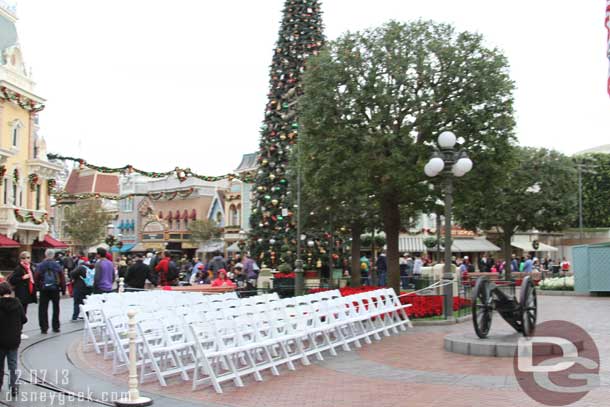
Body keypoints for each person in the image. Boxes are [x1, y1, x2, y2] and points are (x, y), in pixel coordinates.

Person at [0, 282, 27, 397]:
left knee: (0, 365)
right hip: (14, 339)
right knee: (13, 365)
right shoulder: (17, 303)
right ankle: (14, 387)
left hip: (0, 340)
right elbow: (24, 319)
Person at [34, 249, 65, 334]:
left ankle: (44, 328)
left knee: (43, 308)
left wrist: (37, 288)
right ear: (53, 255)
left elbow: (36, 277)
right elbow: (62, 277)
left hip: (44, 289)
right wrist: (63, 289)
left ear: (45, 255)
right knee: (56, 308)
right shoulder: (57, 265)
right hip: (55, 289)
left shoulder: (40, 265)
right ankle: (56, 327)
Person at [9, 251, 36, 339]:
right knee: (20, 314)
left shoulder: (30, 267)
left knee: (24, 312)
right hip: (21, 294)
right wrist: (22, 278)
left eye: (28, 258)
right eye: (23, 258)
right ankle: (18, 332)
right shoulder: (19, 268)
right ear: (20, 259)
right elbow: (12, 280)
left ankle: (19, 331)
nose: (26, 260)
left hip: (27, 293)